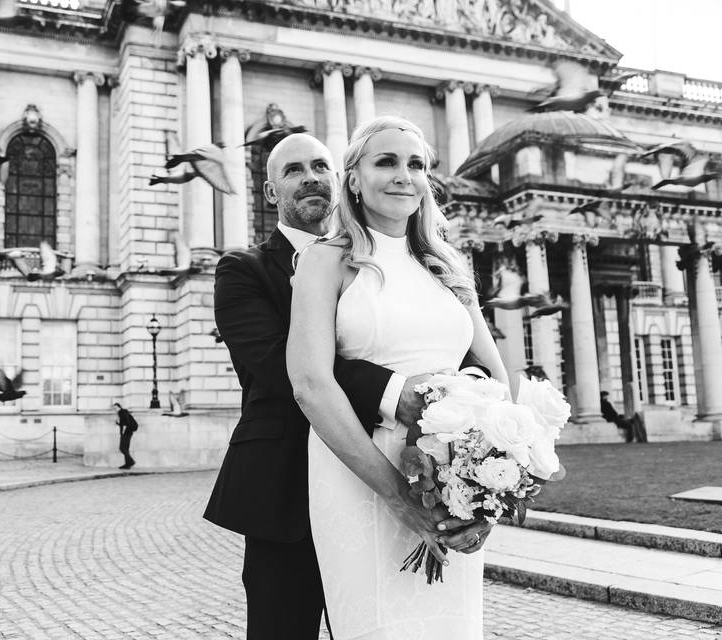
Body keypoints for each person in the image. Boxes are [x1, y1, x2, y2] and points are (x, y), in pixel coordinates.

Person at [204, 131, 489, 640]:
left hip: (410, 468)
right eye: (293, 171)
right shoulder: (242, 270)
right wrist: (397, 390)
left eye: (320, 166)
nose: (311, 177)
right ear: (271, 192)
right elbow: (279, 368)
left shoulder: (402, 260)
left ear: (342, 180)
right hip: (286, 485)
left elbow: (475, 363)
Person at [287, 116, 509, 639]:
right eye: (385, 161)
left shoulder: (447, 262)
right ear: (354, 179)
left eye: (416, 164)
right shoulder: (326, 259)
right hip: (359, 472)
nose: (403, 175)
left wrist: (482, 496)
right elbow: (309, 383)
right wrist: (397, 496)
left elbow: (494, 377)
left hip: (453, 477)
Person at [113, 402, 137, 469]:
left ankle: (131, 462)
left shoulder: (122, 412)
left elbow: (126, 422)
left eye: (115, 408)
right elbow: (124, 422)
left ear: (119, 407)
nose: (115, 409)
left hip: (126, 433)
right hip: (128, 432)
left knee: (122, 448)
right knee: (125, 449)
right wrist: (118, 423)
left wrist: (122, 431)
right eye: (114, 408)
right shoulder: (123, 412)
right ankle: (127, 465)